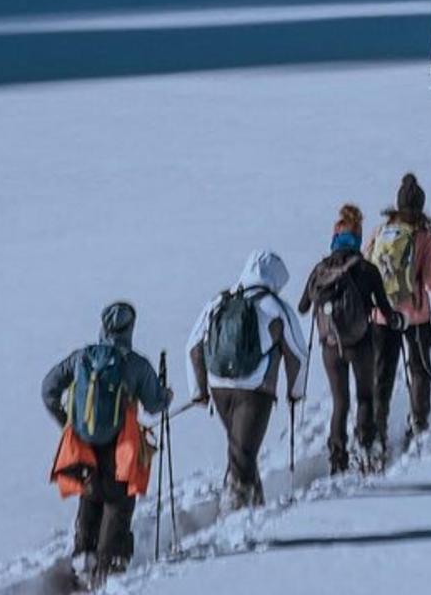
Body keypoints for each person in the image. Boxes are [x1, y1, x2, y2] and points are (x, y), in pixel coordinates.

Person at [42, 302, 172, 586]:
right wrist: (166, 394)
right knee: (118, 500)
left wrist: (67, 421)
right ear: (130, 329)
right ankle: (110, 565)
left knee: (89, 497)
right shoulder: (136, 364)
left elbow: (48, 388)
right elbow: (154, 404)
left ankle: (83, 562)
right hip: (120, 445)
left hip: (82, 445)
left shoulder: (81, 358)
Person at [185, 250, 308, 511]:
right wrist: (296, 392)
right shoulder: (275, 306)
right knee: (244, 453)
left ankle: (252, 507)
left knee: (240, 449)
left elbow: (193, 347)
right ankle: (237, 513)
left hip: (219, 387)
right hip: (255, 389)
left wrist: (199, 391)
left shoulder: (218, 302)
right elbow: (297, 353)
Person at [298, 205, 405, 473]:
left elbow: (302, 307)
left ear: (334, 239)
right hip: (361, 342)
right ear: (358, 239)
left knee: (340, 402)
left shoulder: (321, 269)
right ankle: (366, 448)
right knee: (365, 396)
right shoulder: (367, 269)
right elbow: (385, 309)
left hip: (330, 347)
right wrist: (395, 321)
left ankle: (337, 457)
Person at [364, 174, 431, 450]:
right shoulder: (423, 234)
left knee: (383, 374)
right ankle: (418, 422)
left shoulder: (381, 232)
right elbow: (430, 277)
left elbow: (367, 266)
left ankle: (378, 432)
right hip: (415, 314)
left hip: (382, 314)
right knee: (419, 369)